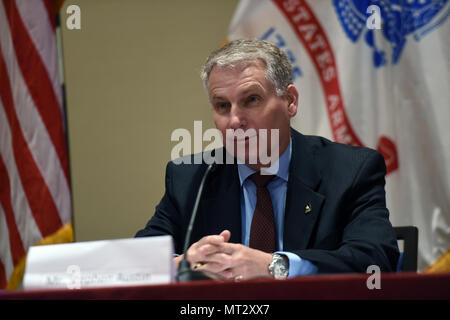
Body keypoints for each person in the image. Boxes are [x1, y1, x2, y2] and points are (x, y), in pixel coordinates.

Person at [136, 39, 399, 280]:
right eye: (222, 106)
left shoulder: (350, 171)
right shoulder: (191, 177)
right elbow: (135, 263)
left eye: (251, 100)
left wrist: (275, 266)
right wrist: (183, 263)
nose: (235, 121)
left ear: (290, 101)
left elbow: (374, 261)